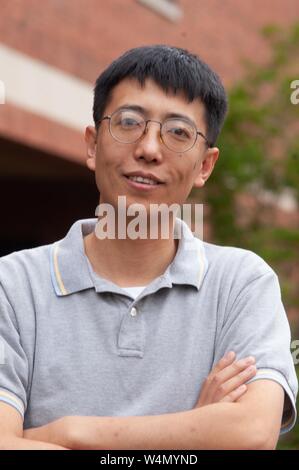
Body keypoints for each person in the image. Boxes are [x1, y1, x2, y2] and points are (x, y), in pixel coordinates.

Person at [0, 45, 297, 450]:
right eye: (128, 122)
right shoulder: (13, 286)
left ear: (205, 166)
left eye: (178, 132)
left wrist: (69, 433)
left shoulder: (241, 284)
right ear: (92, 144)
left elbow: (251, 433)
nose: (149, 149)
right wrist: (195, 430)